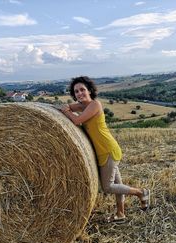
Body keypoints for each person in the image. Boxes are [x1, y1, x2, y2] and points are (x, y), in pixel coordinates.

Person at [60, 76, 150, 222]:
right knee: (117, 184)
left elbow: (76, 120)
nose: (80, 93)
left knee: (107, 187)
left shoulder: (95, 104)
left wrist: (66, 111)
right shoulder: (83, 106)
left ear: (89, 90)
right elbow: (69, 107)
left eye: (82, 89)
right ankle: (121, 214)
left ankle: (141, 192)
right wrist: (66, 108)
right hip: (103, 151)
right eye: (76, 91)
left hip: (108, 149)